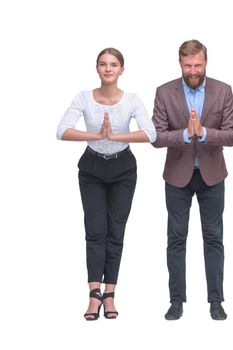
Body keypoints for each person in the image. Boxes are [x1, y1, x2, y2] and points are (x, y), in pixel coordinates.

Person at [56, 48, 157, 321]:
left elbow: (151, 133)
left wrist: (115, 135)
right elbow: (61, 130)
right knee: (95, 229)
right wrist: (97, 135)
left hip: (123, 169)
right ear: (97, 69)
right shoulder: (84, 98)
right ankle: (93, 294)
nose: (108, 69)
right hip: (91, 168)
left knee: (116, 230)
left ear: (122, 69)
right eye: (103, 64)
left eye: (114, 64)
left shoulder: (132, 100)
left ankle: (110, 293)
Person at [151, 39, 233, 321]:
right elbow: (157, 137)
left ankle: (216, 300)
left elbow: (232, 135)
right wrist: (186, 135)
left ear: (206, 62)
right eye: (188, 65)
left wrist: (203, 132)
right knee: (176, 238)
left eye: (197, 64)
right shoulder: (164, 92)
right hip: (177, 175)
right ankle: (176, 300)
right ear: (180, 64)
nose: (193, 70)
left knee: (214, 238)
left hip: (212, 174)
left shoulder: (223, 91)